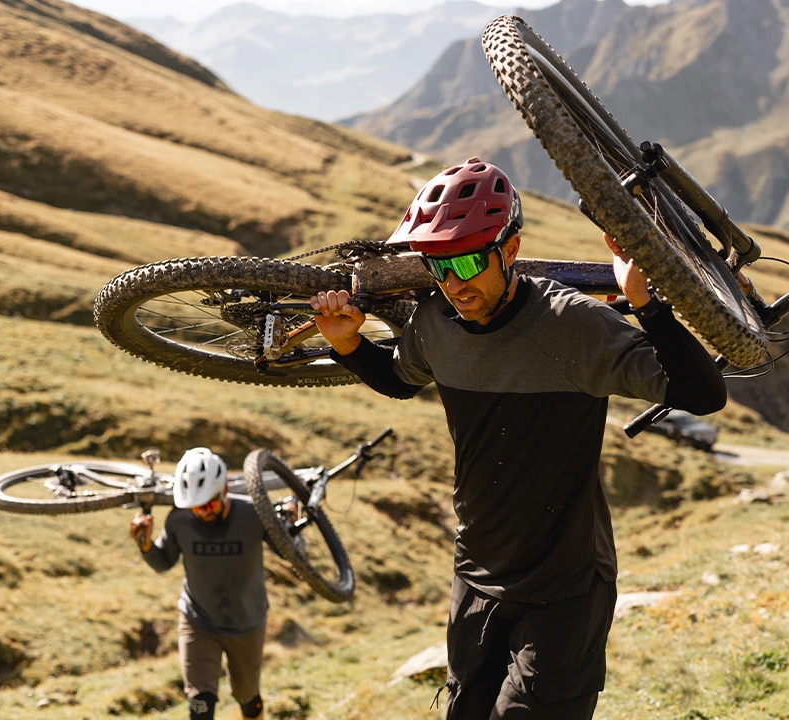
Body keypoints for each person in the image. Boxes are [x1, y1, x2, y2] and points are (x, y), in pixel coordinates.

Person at [310, 159, 726, 719]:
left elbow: (702, 394)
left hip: (566, 588)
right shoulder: (435, 324)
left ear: (509, 250)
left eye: (465, 260)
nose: (454, 283)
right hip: (477, 577)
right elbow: (400, 381)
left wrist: (646, 305)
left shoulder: (574, 326)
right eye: (438, 265)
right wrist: (348, 345)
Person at [130, 448, 271, 720]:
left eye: (207, 503)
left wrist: (290, 524)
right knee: (200, 706)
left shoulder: (254, 515)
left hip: (247, 623)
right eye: (194, 504)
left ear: (225, 490)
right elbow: (163, 562)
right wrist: (144, 543)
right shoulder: (179, 519)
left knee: (248, 700)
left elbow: (289, 549)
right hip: (199, 620)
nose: (200, 511)